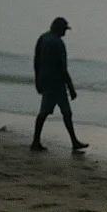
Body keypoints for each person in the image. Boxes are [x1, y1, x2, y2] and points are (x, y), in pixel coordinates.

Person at [31, 17, 89, 151]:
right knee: (66, 113)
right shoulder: (58, 43)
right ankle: (73, 142)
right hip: (56, 83)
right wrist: (71, 87)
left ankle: (36, 141)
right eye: (64, 29)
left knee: (44, 112)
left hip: (45, 80)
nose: (65, 32)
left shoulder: (43, 38)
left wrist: (37, 80)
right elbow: (63, 67)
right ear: (59, 28)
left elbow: (36, 61)